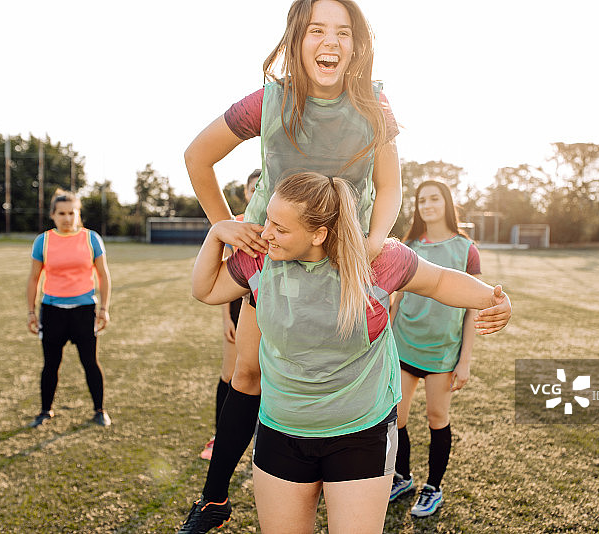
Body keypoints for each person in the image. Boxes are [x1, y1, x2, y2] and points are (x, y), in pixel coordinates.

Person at [180, 0, 401, 530]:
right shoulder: (268, 102)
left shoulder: (375, 103)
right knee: (248, 370)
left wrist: (373, 241)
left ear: (357, 43)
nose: (331, 41)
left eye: (343, 32)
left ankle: (362, 468)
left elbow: (390, 185)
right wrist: (225, 224)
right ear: (297, 38)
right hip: (272, 253)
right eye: (317, 30)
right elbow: (197, 155)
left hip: (347, 258)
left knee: (351, 364)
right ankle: (215, 498)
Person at [186, 172, 511, 534]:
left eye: (279, 226)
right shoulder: (260, 258)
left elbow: (439, 281)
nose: (265, 233)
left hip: (361, 433)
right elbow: (207, 289)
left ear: (318, 234)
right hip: (282, 429)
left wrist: (493, 299)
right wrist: (217, 232)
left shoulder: (376, 259)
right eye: (268, 221)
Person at [387, 180, 481, 517]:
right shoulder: (408, 245)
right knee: (395, 416)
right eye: (421, 200)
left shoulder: (466, 249)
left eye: (434, 198)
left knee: (437, 417)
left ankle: (433, 488)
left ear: (446, 203)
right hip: (403, 344)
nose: (427, 205)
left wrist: (465, 359)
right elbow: (395, 298)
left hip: (442, 353)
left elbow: (473, 307)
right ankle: (403, 477)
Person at [25, 189, 112, 428]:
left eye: (71, 213)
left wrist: (103, 309)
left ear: (78, 214)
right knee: (51, 364)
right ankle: (45, 411)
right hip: (52, 311)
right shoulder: (43, 241)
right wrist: (32, 313)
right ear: (53, 215)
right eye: (61, 213)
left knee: (90, 363)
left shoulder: (91, 238)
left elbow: (104, 276)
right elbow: (33, 279)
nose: (66, 218)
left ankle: (100, 410)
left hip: (84, 311)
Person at [200, 169, 260, 460]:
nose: (256, 191)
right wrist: (227, 319)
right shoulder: (234, 224)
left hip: (264, 306)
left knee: (262, 376)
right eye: (252, 188)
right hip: (237, 305)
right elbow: (222, 270)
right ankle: (219, 436)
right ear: (246, 192)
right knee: (230, 375)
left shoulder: (279, 224)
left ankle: (262, 434)